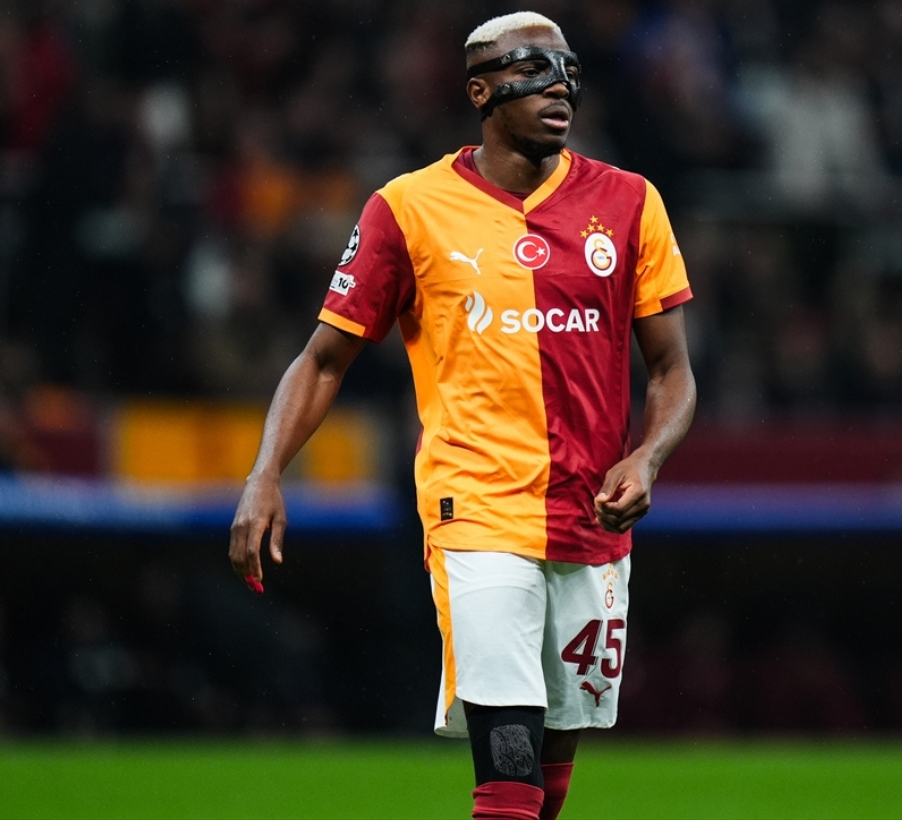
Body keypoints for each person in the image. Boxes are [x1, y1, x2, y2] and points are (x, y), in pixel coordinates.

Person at [228, 12, 696, 820]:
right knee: (508, 772)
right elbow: (323, 358)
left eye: (568, 70)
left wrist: (645, 457)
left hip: (590, 519)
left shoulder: (630, 202)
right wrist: (265, 473)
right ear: (480, 92)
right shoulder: (408, 209)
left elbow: (673, 372)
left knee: (550, 771)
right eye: (533, 70)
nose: (559, 86)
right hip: (474, 510)